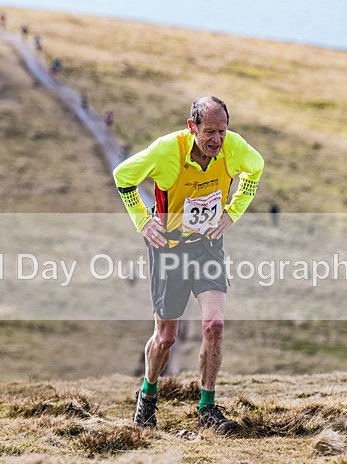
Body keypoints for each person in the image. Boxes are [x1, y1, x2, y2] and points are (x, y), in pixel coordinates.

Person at [113, 96, 264, 434]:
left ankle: (207, 408)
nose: (217, 140)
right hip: (170, 249)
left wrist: (232, 213)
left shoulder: (234, 147)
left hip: (208, 247)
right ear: (192, 127)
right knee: (166, 337)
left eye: (222, 131)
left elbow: (255, 169)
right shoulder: (167, 151)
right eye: (209, 131)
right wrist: (142, 221)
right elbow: (123, 176)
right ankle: (147, 398)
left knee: (215, 325)